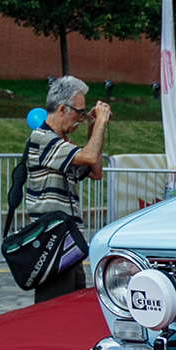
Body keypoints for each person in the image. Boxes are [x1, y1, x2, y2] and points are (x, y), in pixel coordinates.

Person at [24, 75, 111, 303]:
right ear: (62, 109)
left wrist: (93, 127)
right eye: (80, 112)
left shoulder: (61, 144)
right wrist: (100, 123)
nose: (81, 118)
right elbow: (90, 156)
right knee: (52, 310)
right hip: (51, 243)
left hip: (67, 243)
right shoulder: (43, 139)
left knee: (70, 307)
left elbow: (95, 171)